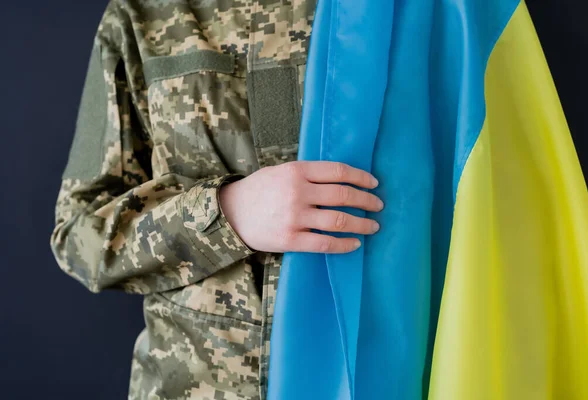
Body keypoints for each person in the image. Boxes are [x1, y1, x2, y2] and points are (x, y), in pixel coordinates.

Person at [50, 1, 383, 399]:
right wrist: (225, 213)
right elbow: (78, 234)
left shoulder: (395, 11)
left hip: (378, 370)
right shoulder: (141, 13)